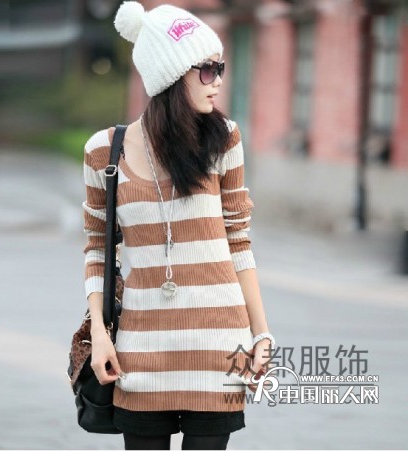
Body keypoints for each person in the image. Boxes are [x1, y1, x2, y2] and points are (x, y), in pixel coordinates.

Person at [82, 1, 275, 450]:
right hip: (140, 353)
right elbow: (96, 247)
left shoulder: (224, 139)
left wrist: (261, 333)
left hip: (219, 349)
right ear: (171, 75)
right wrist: (99, 334)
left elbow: (238, 238)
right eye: (207, 70)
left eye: (220, 68)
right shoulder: (105, 152)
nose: (218, 80)